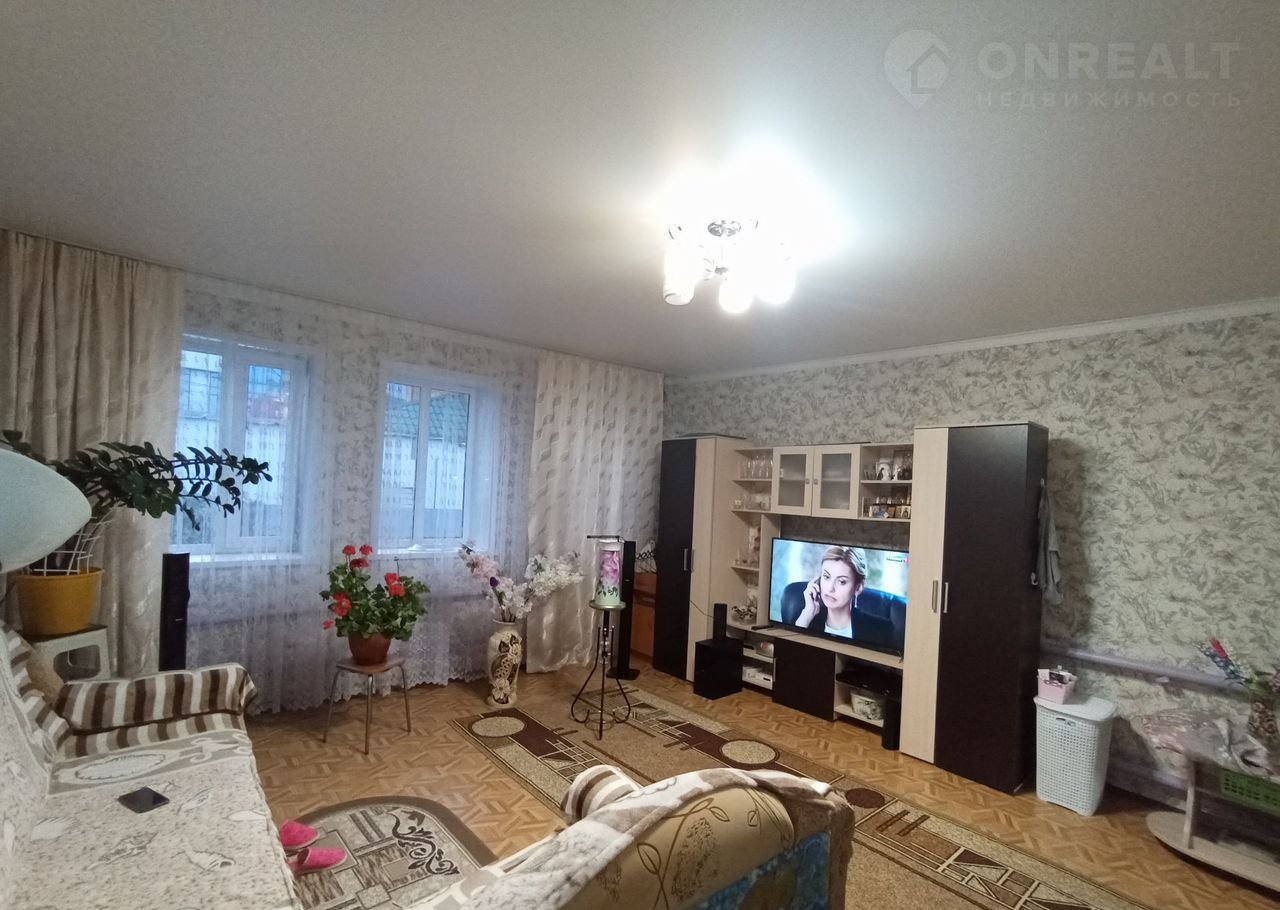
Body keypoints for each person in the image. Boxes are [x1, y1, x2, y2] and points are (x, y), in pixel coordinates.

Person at [781, 546, 903, 650]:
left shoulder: (881, 629)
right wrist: (807, 614)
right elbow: (789, 655)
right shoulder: (805, 619)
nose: (830, 588)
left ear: (858, 588)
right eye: (826, 577)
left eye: (842, 581)